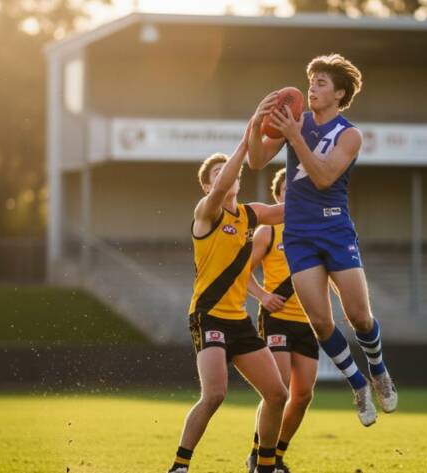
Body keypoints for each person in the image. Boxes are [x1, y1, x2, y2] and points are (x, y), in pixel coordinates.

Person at [246, 53, 397, 427]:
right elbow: (256, 161)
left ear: (339, 93)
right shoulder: (295, 121)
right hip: (299, 234)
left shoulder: (350, 134)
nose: (311, 87)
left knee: (359, 317)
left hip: (334, 228)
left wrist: (295, 137)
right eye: (310, 81)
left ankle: (378, 370)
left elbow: (324, 178)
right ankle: (359, 385)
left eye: (321, 83)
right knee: (321, 323)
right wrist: (255, 122)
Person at [167, 124, 288, 473]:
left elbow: (286, 211)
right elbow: (223, 184)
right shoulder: (207, 212)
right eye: (219, 174)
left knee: (278, 394)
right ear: (207, 186)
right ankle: (179, 466)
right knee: (215, 394)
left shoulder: (250, 214)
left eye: (230, 172)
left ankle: (263, 466)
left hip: (239, 321)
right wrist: (248, 138)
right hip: (208, 316)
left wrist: (316, 173)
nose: (227, 177)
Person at [245, 168, 318, 473]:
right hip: (276, 318)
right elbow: (241, 271)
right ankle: (258, 453)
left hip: (308, 322)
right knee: (279, 389)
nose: (293, 194)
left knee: (303, 396)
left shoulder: (317, 230)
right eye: (287, 190)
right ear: (278, 196)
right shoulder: (268, 231)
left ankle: (277, 455)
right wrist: (262, 296)